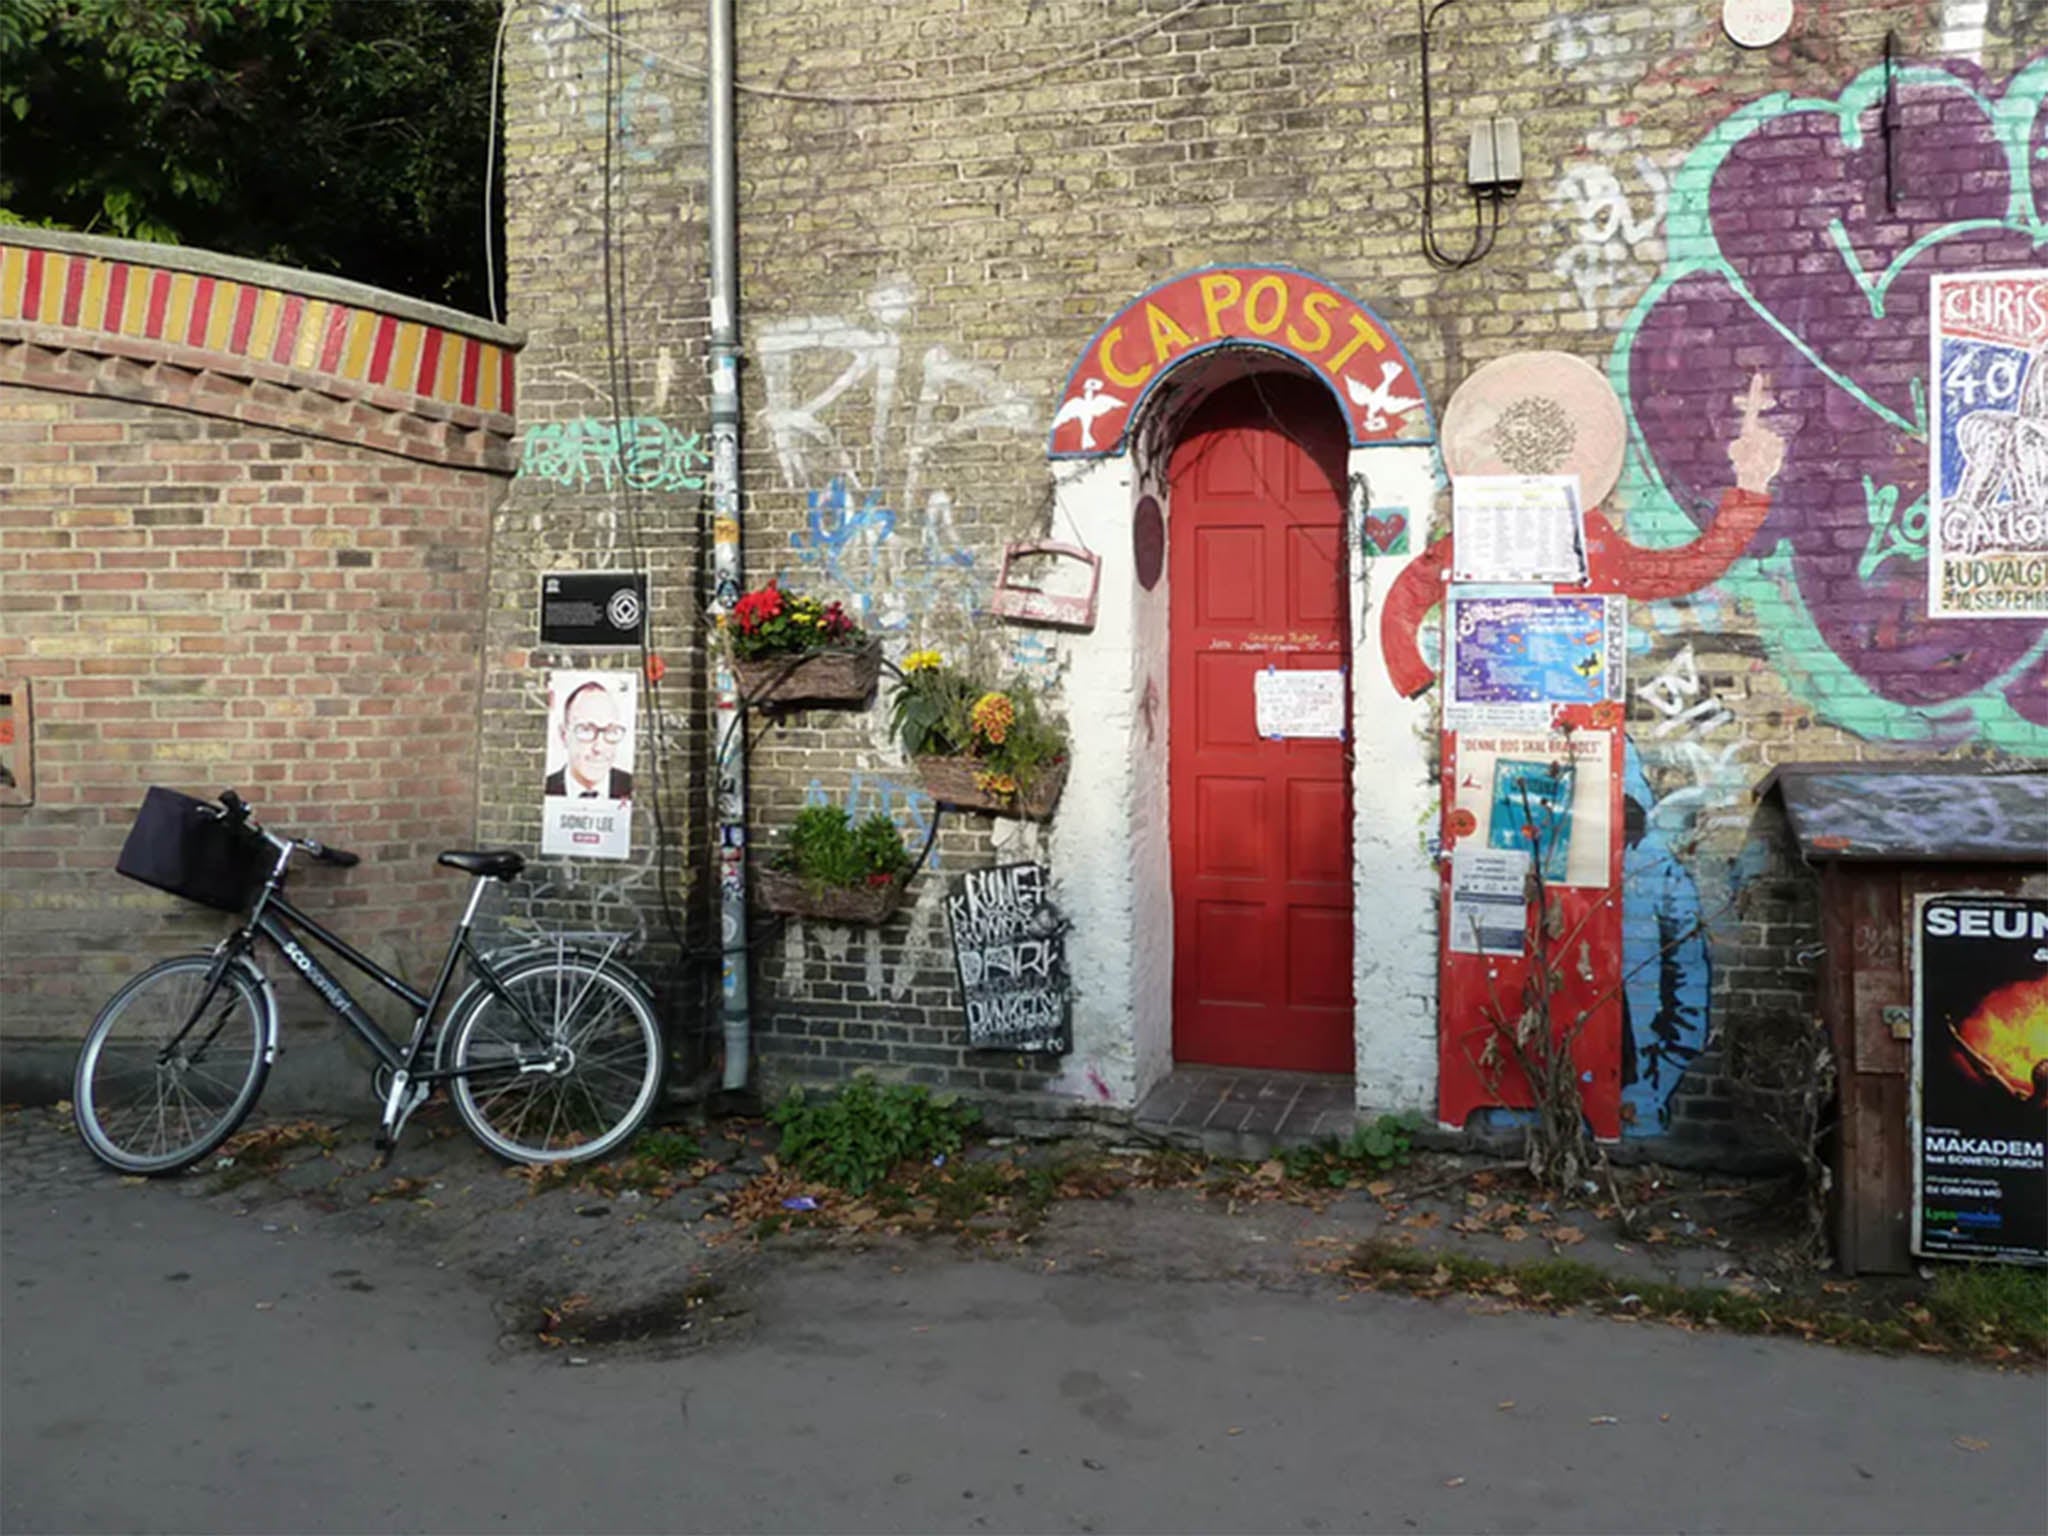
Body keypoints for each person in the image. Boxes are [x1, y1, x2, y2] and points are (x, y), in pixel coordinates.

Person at [544, 679, 634, 799]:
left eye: (610, 731)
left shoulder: (631, 787)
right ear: (564, 735)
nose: (599, 747)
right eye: (586, 730)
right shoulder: (546, 788)